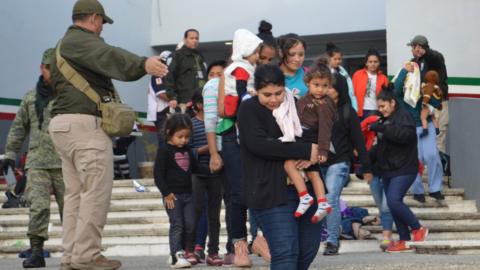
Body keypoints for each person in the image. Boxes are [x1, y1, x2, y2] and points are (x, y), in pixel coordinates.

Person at [48, 0, 168, 269]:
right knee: (95, 193)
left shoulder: (64, 45)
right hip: (84, 127)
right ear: (93, 18)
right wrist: (143, 63)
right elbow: (108, 55)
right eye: (102, 22)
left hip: (66, 126)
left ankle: (71, 256)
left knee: (76, 196)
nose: (102, 28)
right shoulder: (79, 41)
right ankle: (87, 255)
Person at [238, 64, 322, 270]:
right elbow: (259, 145)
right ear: (256, 90)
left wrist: (314, 153)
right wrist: (303, 150)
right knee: (285, 252)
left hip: (307, 188)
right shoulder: (249, 109)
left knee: (307, 252)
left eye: (278, 93)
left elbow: (317, 137)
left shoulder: (296, 104)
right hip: (270, 191)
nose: (274, 99)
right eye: (267, 94)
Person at [2, 49, 65, 269]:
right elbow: (19, 127)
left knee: (71, 209)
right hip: (37, 162)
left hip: (66, 162)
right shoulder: (30, 97)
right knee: (38, 208)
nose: (53, 73)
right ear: (42, 68)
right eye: (50, 68)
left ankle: (76, 251)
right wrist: (10, 153)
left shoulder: (68, 96)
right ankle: (36, 252)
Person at [217, 29, 262, 267]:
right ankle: (240, 246)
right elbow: (241, 94)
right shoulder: (240, 68)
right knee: (238, 193)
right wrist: (253, 99)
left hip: (248, 133)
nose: (258, 56)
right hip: (234, 133)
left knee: (258, 189)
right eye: (255, 51)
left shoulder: (244, 68)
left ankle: (261, 239)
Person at [320, 59, 373, 256]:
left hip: (340, 163)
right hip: (319, 163)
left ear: (339, 89)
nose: (326, 89)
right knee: (321, 201)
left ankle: (332, 241)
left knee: (331, 198)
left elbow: (359, 142)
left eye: (330, 87)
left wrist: (366, 168)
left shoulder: (347, 111)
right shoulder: (317, 108)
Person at [368, 88, 429, 252]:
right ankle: (404, 239)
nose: (381, 110)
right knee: (394, 205)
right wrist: (364, 161)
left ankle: (418, 229)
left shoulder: (404, 117)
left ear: (392, 103)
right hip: (387, 169)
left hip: (405, 168)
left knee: (393, 200)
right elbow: (381, 147)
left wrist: (382, 129)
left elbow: (406, 137)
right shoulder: (383, 120)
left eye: (383, 106)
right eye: (379, 107)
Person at [276, 61, 335, 222]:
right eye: (316, 85)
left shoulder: (324, 104)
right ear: (307, 83)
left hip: (311, 139)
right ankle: (321, 202)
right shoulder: (304, 99)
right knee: (312, 172)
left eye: (324, 86)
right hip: (300, 136)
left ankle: (305, 197)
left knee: (291, 164)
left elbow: (325, 128)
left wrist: (322, 150)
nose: (320, 89)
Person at [154, 113, 205, 268]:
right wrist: (166, 193)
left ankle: (179, 251)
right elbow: (158, 175)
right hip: (172, 196)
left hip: (188, 194)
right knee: (177, 224)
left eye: (187, 137)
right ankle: (177, 256)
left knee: (190, 224)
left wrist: (212, 169)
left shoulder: (188, 150)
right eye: (180, 136)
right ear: (169, 132)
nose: (184, 140)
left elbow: (195, 168)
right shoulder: (164, 150)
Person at [393, 62, 444, 203]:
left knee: (432, 155)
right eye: (409, 76)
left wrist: (429, 95)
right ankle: (417, 191)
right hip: (410, 128)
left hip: (427, 126)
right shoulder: (401, 94)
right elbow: (394, 90)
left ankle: (435, 189)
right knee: (416, 159)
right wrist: (404, 71)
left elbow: (435, 103)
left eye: (413, 76)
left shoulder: (422, 88)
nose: (412, 79)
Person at [189, 91, 224, 266]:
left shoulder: (219, 123)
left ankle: (214, 251)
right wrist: (210, 149)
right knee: (196, 211)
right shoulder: (191, 124)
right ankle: (195, 248)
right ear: (200, 105)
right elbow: (188, 151)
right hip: (197, 174)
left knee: (214, 214)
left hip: (216, 174)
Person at [407, 35, 449, 155]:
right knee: (425, 136)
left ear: (419, 47)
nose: (411, 50)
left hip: (438, 103)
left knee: (438, 136)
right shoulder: (415, 62)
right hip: (424, 105)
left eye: (413, 47)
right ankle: (426, 168)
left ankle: (440, 168)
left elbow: (435, 57)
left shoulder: (435, 58)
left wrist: (426, 52)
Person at [360, 112, 394, 251]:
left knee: (386, 206)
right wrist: (371, 122)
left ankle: (387, 236)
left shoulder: (395, 131)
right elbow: (359, 131)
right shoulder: (373, 126)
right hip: (373, 172)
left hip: (390, 173)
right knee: (381, 205)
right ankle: (388, 224)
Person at [164, 29, 208, 114]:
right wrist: (173, 97)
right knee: (185, 125)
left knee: (200, 126)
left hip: (201, 100)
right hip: (185, 101)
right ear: (184, 39)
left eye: (196, 38)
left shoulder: (200, 56)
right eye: (191, 38)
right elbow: (169, 76)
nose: (195, 40)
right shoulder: (177, 55)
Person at [222, 28, 262, 118]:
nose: (258, 56)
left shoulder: (247, 66)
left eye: (258, 52)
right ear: (245, 52)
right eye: (255, 53)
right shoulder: (241, 68)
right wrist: (246, 98)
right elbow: (240, 86)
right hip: (238, 101)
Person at [352, 48, 389, 121]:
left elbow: (387, 98)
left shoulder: (383, 78)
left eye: (375, 62)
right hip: (359, 111)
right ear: (366, 63)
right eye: (370, 62)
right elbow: (352, 93)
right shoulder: (357, 75)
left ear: (379, 63)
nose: (373, 64)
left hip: (376, 110)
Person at [147, 50, 173, 143]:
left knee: (170, 139)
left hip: (168, 112)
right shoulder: (157, 74)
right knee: (164, 140)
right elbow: (161, 94)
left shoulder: (168, 75)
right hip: (161, 113)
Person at [325, 42, 358, 111]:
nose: (338, 61)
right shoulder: (324, 71)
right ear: (328, 58)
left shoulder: (342, 70)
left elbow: (350, 89)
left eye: (339, 59)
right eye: (335, 59)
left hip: (344, 102)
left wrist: (354, 106)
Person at [277, 33, 308, 98]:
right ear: (281, 53)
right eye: (292, 54)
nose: (297, 59)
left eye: (301, 54)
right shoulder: (272, 76)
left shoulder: (310, 73)